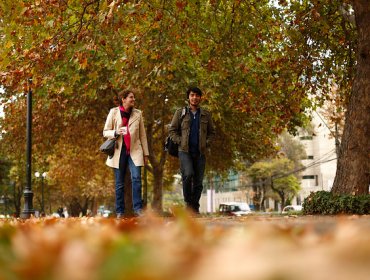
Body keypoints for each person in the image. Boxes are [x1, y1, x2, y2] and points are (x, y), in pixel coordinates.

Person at [169, 87, 215, 214]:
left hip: (200, 152)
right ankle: (189, 203)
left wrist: (206, 143)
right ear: (188, 97)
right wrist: (180, 141)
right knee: (188, 175)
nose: (194, 97)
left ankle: (195, 206)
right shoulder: (180, 113)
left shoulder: (206, 114)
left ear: (200, 98)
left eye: (197, 95)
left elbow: (212, 132)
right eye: (192, 95)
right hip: (184, 151)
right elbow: (172, 131)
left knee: (199, 182)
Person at [103, 89, 149, 218]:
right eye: (131, 97)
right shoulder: (114, 112)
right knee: (119, 183)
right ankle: (120, 212)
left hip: (135, 150)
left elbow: (142, 135)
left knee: (136, 179)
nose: (133, 100)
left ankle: (138, 210)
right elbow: (105, 131)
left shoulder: (138, 114)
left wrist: (146, 154)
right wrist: (116, 132)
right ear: (123, 99)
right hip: (118, 150)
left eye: (133, 98)